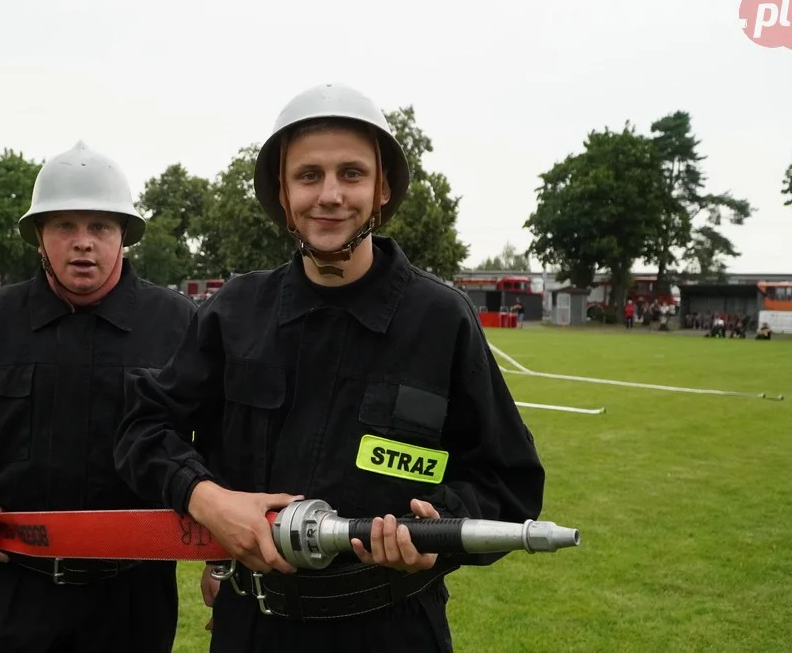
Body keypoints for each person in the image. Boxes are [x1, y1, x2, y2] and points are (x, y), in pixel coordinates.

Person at [114, 83, 546, 652]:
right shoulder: (234, 312)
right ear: (282, 191)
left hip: (393, 630)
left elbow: (509, 481)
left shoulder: (440, 320)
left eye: (352, 173)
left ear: (383, 188)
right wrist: (208, 499)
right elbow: (142, 429)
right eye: (309, 175)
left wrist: (440, 527)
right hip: (254, 629)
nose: (331, 195)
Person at [0, 141, 198, 653]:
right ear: (39, 235)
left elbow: (223, 440)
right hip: (11, 587)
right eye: (65, 226)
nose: (83, 243)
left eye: (100, 227)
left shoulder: (178, 324)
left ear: (123, 235)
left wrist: (220, 559)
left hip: (132, 598)